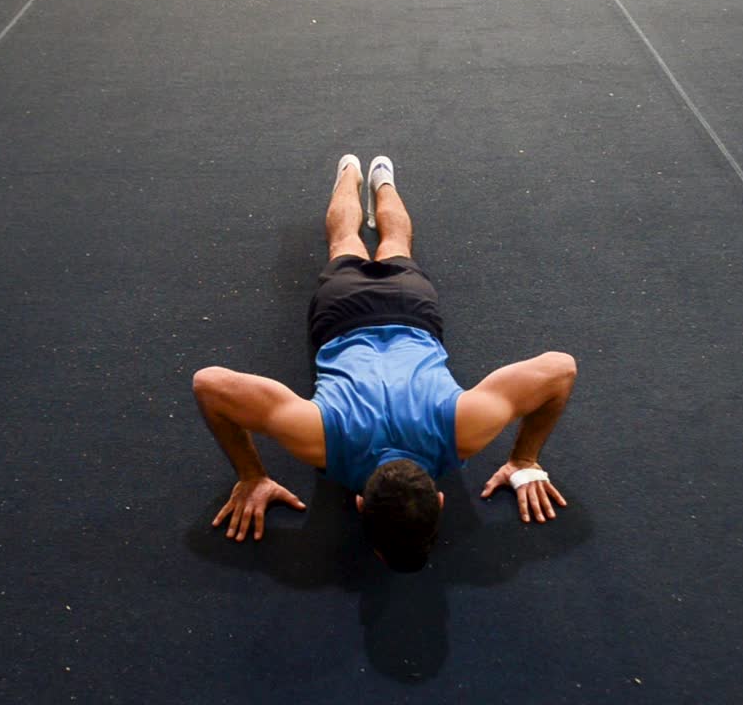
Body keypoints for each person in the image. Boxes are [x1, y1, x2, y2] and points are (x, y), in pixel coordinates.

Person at [192, 154, 576, 571]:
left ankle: (373, 176)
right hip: (343, 315)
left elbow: (560, 368)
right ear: (360, 504)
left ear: (441, 501)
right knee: (345, 245)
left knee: (392, 246)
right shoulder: (316, 437)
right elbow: (209, 384)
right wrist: (250, 475)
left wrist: (524, 461)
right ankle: (357, 174)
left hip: (411, 310)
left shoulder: (467, 427)